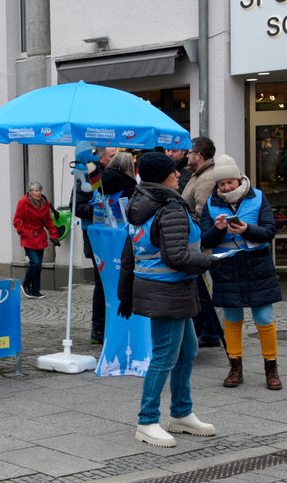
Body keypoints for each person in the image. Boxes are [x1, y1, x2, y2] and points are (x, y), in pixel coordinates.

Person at [117, 152, 220, 448]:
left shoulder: (141, 203)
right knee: (164, 356)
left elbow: (129, 255)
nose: (178, 175)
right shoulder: (169, 206)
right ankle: (147, 420)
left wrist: (125, 294)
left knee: (187, 349)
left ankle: (181, 413)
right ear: (162, 177)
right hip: (169, 290)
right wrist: (211, 262)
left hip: (162, 289)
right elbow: (176, 256)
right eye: (173, 171)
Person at [200, 154, 283, 390]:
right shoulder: (211, 203)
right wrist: (218, 229)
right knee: (233, 319)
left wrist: (247, 230)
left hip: (257, 265)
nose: (226, 187)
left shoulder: (257, 197)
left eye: (230, 182)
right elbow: (205, 240)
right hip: (227, 267)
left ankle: (271, 368)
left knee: (264, 318)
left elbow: (269, 231)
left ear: (239, 179)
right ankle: (235, 367)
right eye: (221, 184)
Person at [71, 146, 117, 343]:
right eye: (112, 156)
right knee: (101, 283)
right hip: (95, 236)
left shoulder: (114, 175)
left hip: (113, 235)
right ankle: (98, 329)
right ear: (101, 158)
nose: (116, 159)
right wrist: (98, 211)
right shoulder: (86, 176)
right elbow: (76, 206)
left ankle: (111, 326)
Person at [181, 136, 222, 348]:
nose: (187, 156)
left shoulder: (206, 178)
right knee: (201, 291)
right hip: (197, 243)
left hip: (201, 246)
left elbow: (203, 215)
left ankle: (210, 332)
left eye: (189, 152)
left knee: (203, 292)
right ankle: (209, 331)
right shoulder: (198, 174)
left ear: (199, 155)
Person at [13, 181, 60, 299]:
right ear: (30, 192)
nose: (38, 193)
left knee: (38, 266)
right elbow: (17, 221)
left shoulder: (45, 203)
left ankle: (35, 290)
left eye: (40, 190)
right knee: (35, 262)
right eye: (36, 191)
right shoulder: (23, 203)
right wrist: (24, 233)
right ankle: (25, 284)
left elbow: (48, 221)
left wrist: (54, 235)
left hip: (40, 237)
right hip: (28, 238)